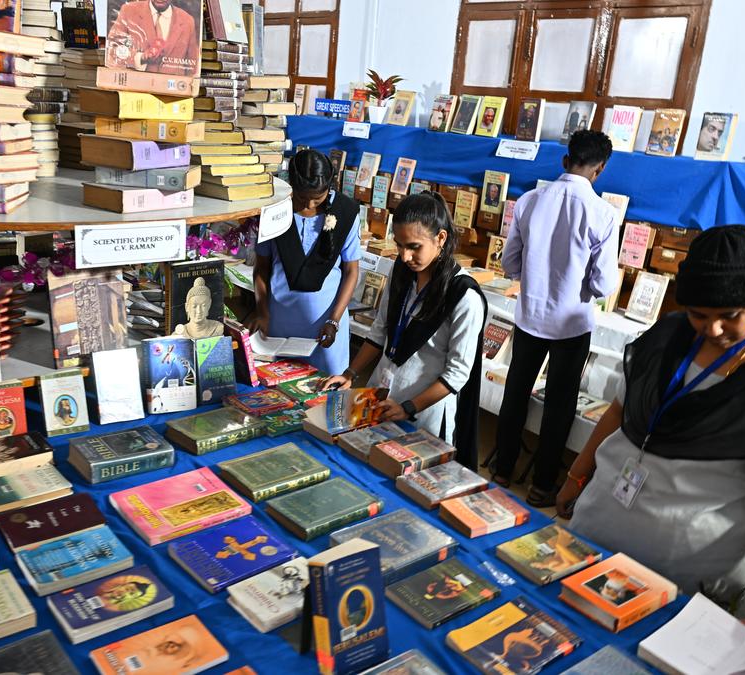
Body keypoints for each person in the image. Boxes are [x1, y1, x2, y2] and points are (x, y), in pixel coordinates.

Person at [557, 225, 745, 629]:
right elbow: (618, 412)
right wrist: (577, 476)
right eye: (700, 315)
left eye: (729, 317)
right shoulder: (667, 336)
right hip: (597, 536)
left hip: (686, 579)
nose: (713, 330)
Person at [487, 129, 620, 507]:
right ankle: (543, 485)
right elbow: (604, 282)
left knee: (516, 392)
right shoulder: (603, 214)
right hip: (572, 323)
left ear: (565, 161)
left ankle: (502, 470)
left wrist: (534, 279)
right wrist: (581, 290)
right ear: (600, 170)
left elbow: (509, 260)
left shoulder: (529, 200)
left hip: (530, 315)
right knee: (559, 404)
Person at [323, 192, 486, 467]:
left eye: (414, 247)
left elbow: (457, 374)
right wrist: (350, 374)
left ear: (441, 239)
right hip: (382, 397)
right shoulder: (403, 273)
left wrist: (409, 407)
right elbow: (379, 331)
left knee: (411, 478)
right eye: (399, 246)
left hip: (425, 414)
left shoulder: (464, 296)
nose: (405, 256)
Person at [252, 149, 361, 376]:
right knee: (277, 394)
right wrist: (262, 311)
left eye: (317, 198)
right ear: (290, 184)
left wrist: (334, 321)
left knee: (326, 392)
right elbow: (262, 267)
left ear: (329, 187)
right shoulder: (274, 210)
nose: (309, 205)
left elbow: (351, 271)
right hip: (278, 326)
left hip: (326, 326)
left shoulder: (346, 212)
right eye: (302, 197)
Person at [106, 0, 199, 76]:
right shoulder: (128, 11)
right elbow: (112, 50)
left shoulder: (188, 21)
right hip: (135, 90)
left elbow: (192, 67)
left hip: (173, 93)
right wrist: (140, 58)